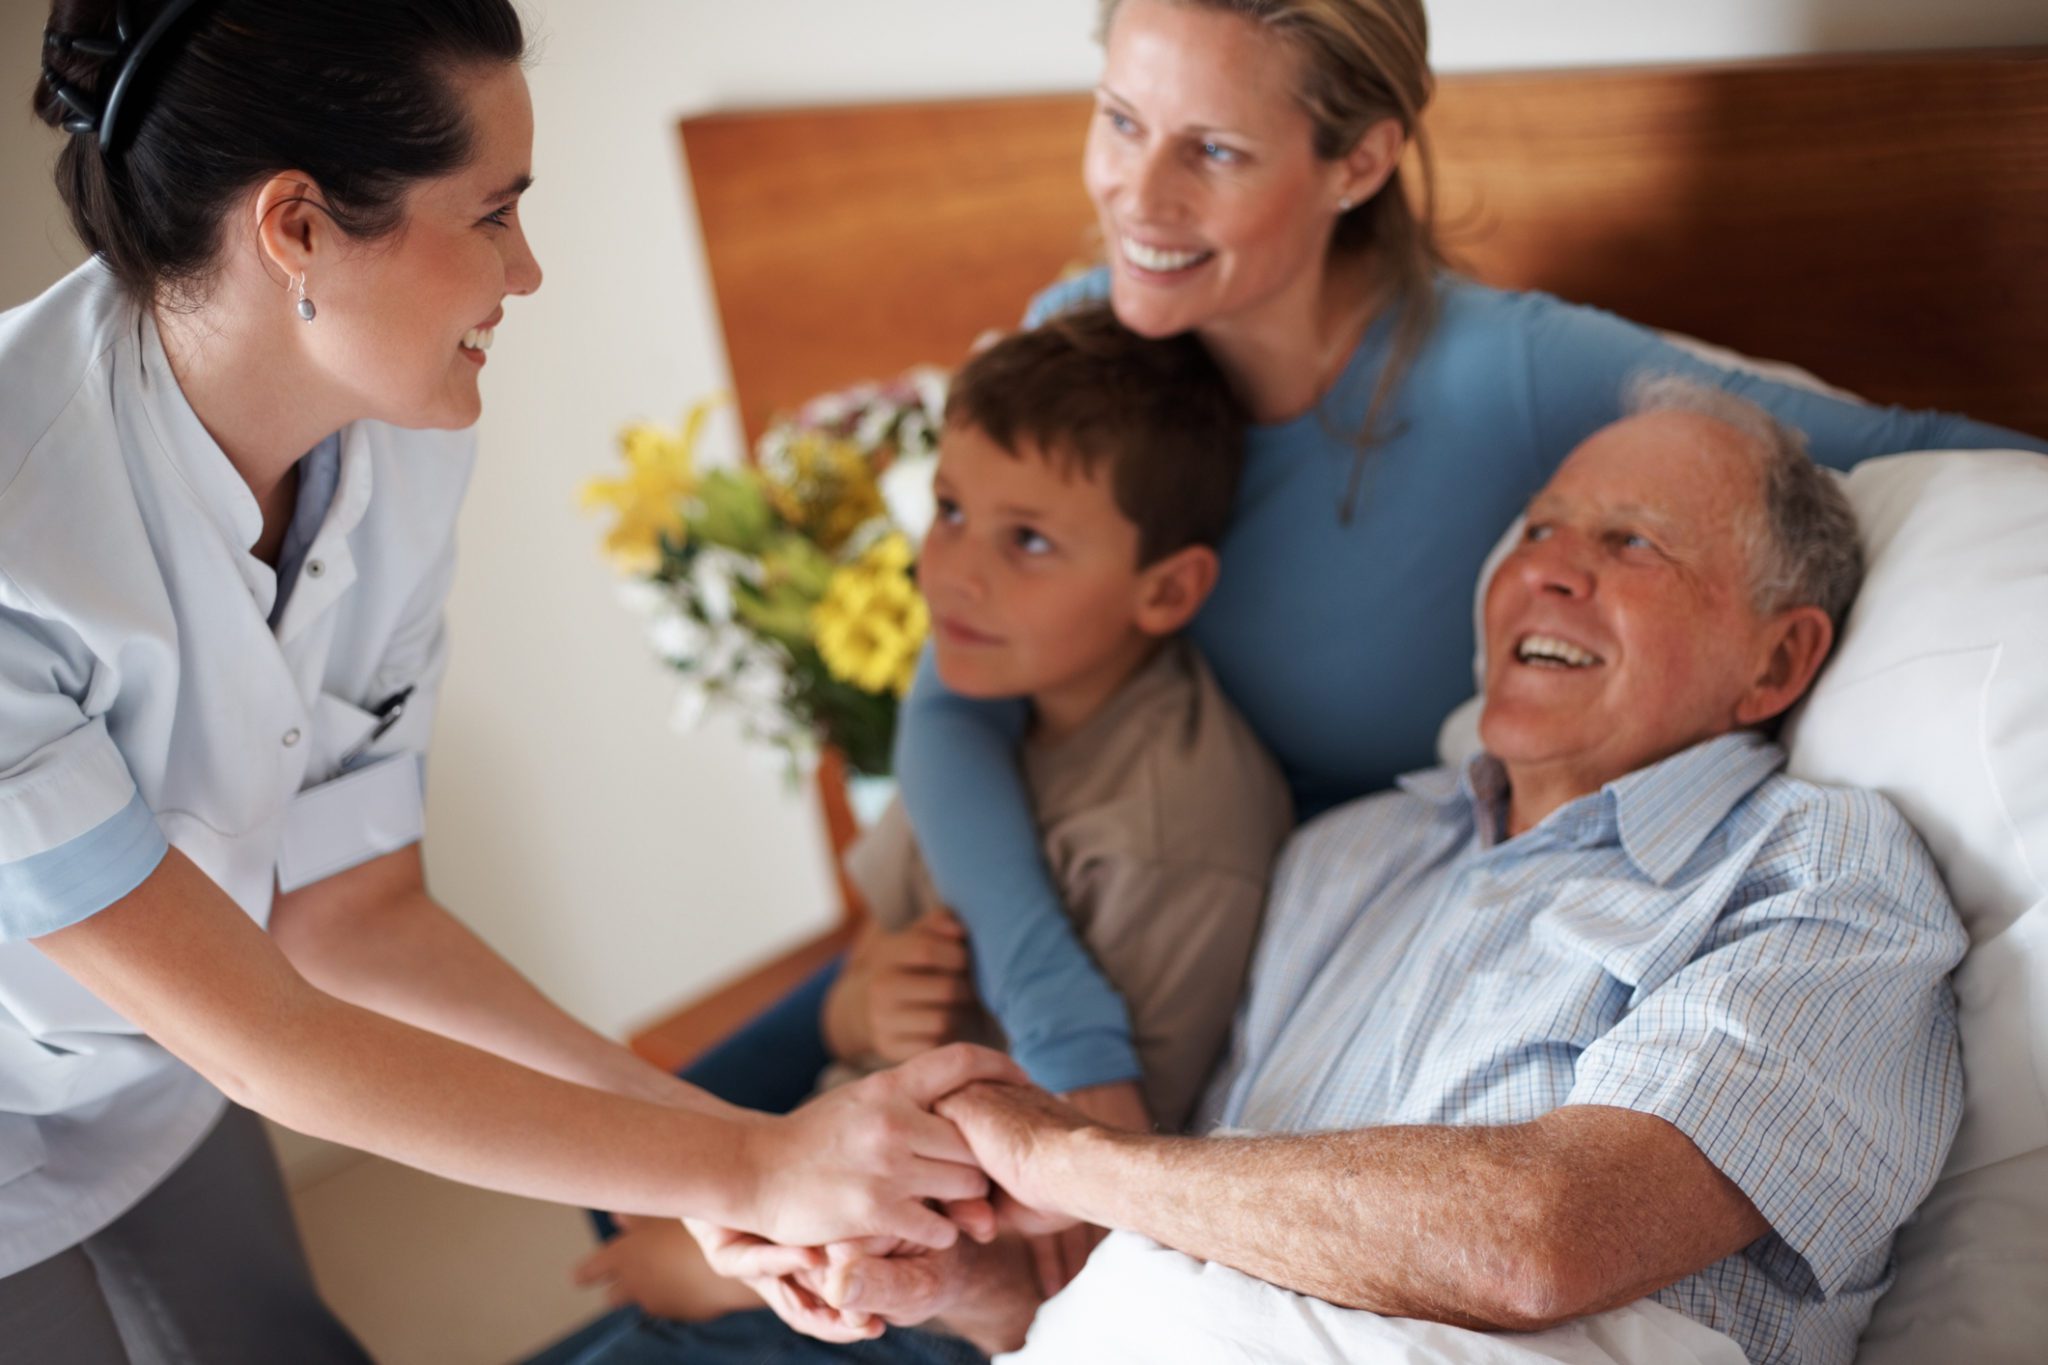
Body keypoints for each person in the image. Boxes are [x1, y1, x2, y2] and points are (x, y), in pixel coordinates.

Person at [685, 0, 2047, 1152]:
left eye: (1211, 149)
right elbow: (953, 694)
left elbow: (1912, 445)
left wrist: (1079, 1043)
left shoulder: (1511, 375)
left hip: (1232, 967)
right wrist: (1025, 1003)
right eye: (1119, 120)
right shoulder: (1086, 333)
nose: (1138, 200)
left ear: (1360, 161)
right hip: (1028, 903)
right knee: (649, 1143)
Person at [0, 4, 1014, 1361]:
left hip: (155, 1077)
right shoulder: (21, 524)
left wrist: (734, 1157)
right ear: (296, 226)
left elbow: (351, 912)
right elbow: (271, 1042)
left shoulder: (396, 440)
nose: (525, 272)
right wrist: (747, 1177)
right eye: (491, 215)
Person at [827, 379, 1969, 1365]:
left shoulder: (1819, 873)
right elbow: (1213, 1249)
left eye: (1631, 544)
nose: (1548, 574)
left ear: (1777, 660)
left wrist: (1060, 1155)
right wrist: (983, 1299)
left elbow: (1540, 1239)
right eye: (1534, 532)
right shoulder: (1347, 856)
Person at [550, 310, 1293, 1352]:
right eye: (948, 510)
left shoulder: (1165, 837)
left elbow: (1075, 1192)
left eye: (1027, 540)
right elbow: (881, 937)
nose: (952, 574)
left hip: (914, 1285)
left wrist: (721, 1267)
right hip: (836, 1158)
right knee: (602, 1178)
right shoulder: (996, 704)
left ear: (1165, 588)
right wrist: (856, 1010)